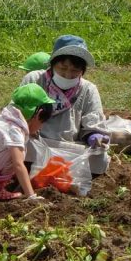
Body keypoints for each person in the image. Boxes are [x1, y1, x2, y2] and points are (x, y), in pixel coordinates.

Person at [20, 35, 110, 176]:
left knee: (99, 158)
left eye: (74, 71)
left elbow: (93, 122)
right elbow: (17, 111)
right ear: (53, 64)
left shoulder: (88, 89)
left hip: (69, 146)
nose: (68, 75)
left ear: (82, 71)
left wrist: (95, 137)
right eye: (63, 68)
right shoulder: (34, 80)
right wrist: (27, 126)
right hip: (35, 141)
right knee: (17, 144)